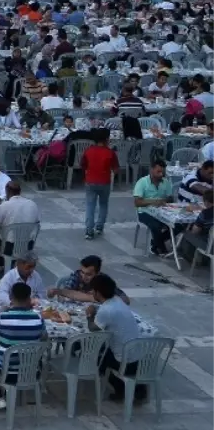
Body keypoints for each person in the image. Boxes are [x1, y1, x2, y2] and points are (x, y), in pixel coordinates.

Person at [0, 282, 47, 412]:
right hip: (31, 372)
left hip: (6, 373)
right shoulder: (38, 319)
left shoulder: (2, 318)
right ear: (29, 298)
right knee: (32, 356)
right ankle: (9, 395)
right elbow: (44, 338)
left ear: (11, 297)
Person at [85, 274, 143, 402]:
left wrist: (89, 314)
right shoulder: (118, 301)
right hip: (137, 356)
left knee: (98, 358)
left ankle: (120, 389)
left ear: (98, 292)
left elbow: (93, 328)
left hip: (124, 361)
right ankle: (138, 389)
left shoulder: (106, 310)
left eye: (93, 291)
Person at [134, 160, 177, 256]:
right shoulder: (142, 182)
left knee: (178, 225)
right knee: (156, 226)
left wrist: (165, 201)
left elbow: (171, 198)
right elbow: (137, 202)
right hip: (145, 212)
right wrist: (153, 202)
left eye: (163, 172)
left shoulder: (165, 182)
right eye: (158, 172)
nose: (161, 174)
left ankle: (155, 243)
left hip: (162, 211)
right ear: (151, 170)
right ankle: (160, 247)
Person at [81, 129, 118, 239]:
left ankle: (89, 230)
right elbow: (115, 169)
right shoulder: (110, 152)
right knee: (103, 204)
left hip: (90, 181)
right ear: (107, 139)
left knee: (90, 205)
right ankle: (99, 227)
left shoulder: (88, 151)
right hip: (104, 182)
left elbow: (83, 165)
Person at [48, 255, 130, 304]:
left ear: (97, 273)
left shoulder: (103, 280)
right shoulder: (77, 275)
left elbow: (125, 300)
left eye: (89, 274)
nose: (84, 276)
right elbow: (66, 293)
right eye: (82, 272)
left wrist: (105, 298)